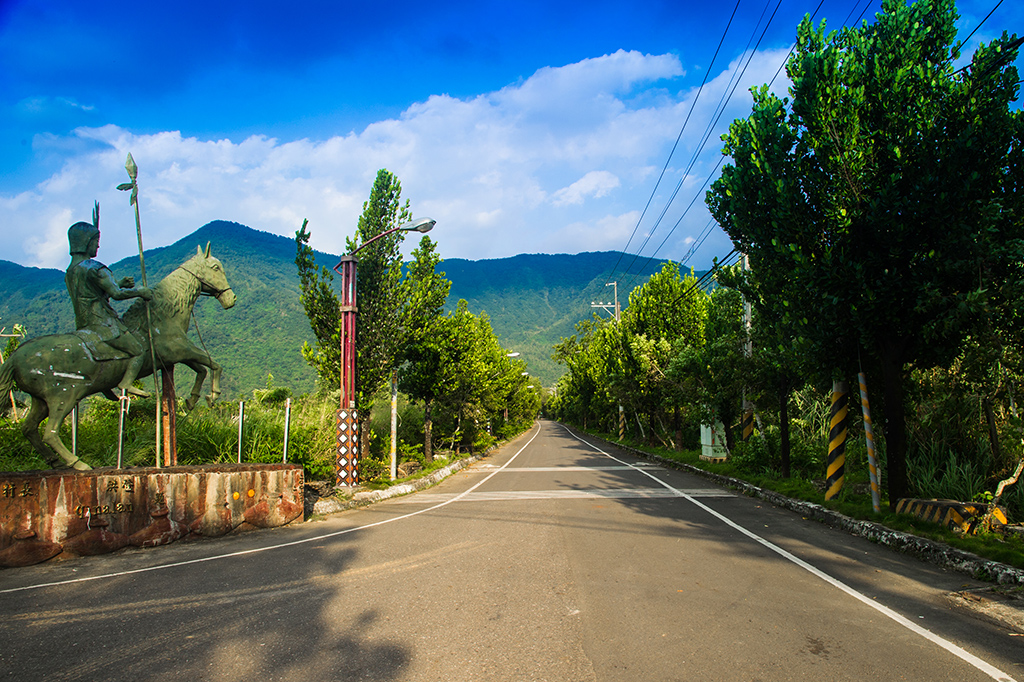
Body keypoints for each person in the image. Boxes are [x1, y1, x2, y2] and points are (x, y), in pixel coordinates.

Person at [65, 219, 154, 397]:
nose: (97, 247)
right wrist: (140, 292)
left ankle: (106, 384)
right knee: (137, 350)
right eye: (96, 243)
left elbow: (94, 295)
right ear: (87, 242)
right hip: (103, 323)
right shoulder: (95, 268)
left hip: (83, 324)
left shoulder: (71, 271)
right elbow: (117, 295)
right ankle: (127, 383)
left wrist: (119, 283)